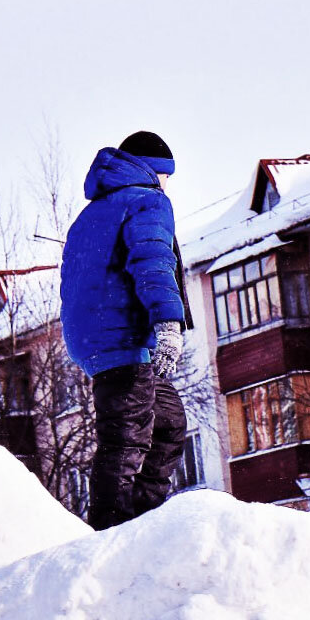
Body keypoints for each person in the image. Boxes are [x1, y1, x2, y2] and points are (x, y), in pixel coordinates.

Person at [60, 131, 193, 530]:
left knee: (168, 422)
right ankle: (112, 530)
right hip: (124, 337)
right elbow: (153, 263)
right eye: (166, 174)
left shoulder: (92, 212)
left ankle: (142, 520)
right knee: (128, 437)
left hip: (95, 338)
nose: (167, 183)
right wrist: (168, 323)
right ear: (155, 170)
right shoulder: (147, 200)